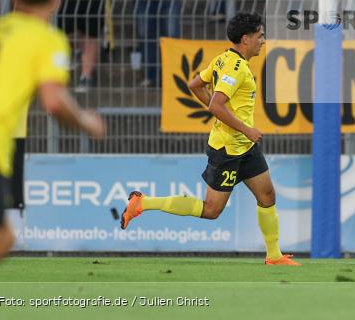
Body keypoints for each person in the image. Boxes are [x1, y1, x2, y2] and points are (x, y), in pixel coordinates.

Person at [120, 13, 300, 266]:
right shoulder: (235, 68)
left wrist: (231, 122)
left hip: (244, 147)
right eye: (260, 36)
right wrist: (245, 128)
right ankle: (143, 203)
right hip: (227, 148)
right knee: (212, 210)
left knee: (267, 195)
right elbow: (216, 104)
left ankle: (274, 256)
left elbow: (195, 84)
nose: (263, 41)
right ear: (246, 39)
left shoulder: (224, 59)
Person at [0, 0, 105, 270]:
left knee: (4, 237)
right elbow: (53, 101)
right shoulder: (46, 39)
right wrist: (86, 121)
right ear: (57, 0)